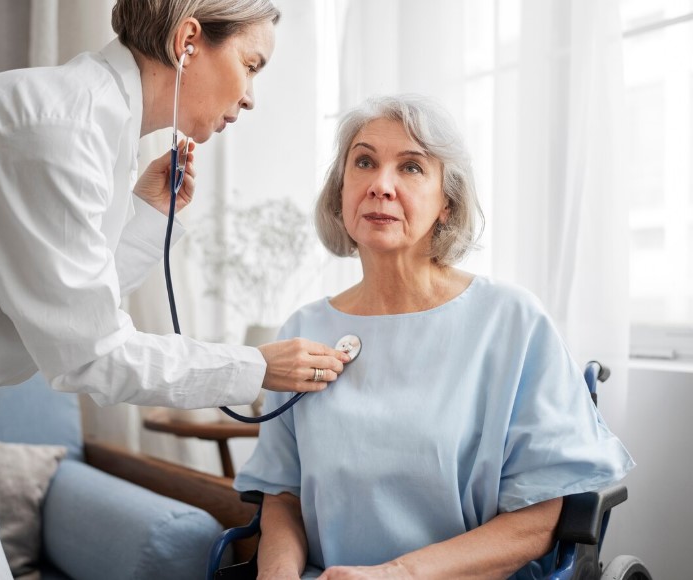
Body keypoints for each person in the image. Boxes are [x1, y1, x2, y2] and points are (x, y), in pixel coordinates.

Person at [0, 1, 352, 578]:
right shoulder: (55, 128)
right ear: (188, 40)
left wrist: (145, 213)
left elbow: (62, 305)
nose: (250, 96)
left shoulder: (95, 127)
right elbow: (89, 354)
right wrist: (255, 367)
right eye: (252, 64)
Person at [234, 95, 634, 580]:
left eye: (411, 168)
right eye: (364, 162)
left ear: (447, 201)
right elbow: (284, 495)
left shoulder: (511, 322)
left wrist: (397, 574)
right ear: (341, 190)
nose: (381, 185)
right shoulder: (304, 328)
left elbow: (539, 519)